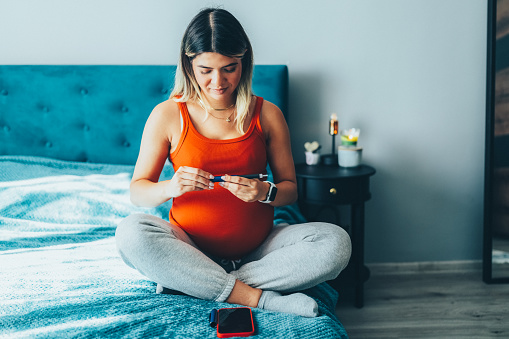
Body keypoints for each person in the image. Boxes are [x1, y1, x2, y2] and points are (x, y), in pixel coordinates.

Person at [115, 7, 351, 318]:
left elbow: (290, 190)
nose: (218, 81)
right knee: (130, 233)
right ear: (188, 66)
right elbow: (137, 191)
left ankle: (192, 282)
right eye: (205, 70)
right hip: (189, 247)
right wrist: (171, 186)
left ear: (244, 61)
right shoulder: (167, 115)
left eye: (229, 68)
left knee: (336, 243)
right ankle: (259, 298)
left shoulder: (268, 115)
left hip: (260, 249)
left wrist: (264, 193)